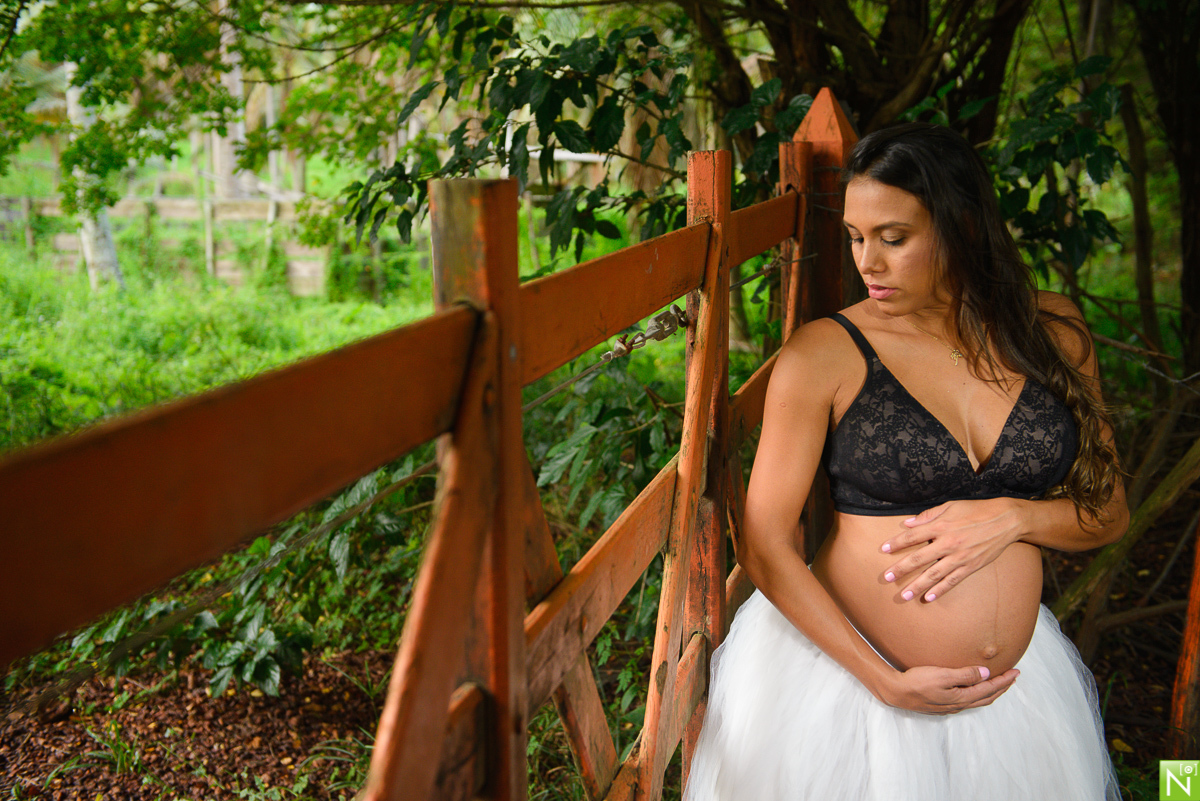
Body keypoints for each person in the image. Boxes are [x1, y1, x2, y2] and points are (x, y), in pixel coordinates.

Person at [682, 122, 1129, 801]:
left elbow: (1108, 513)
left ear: (964, 228)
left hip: (1014, 700)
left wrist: (1012, 517)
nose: (869, 262)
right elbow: (766, 542)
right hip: (845, 692)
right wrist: (883, 679)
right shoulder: (823, 353)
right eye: (858, 238)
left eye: (894, 238)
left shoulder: (1055, 333)